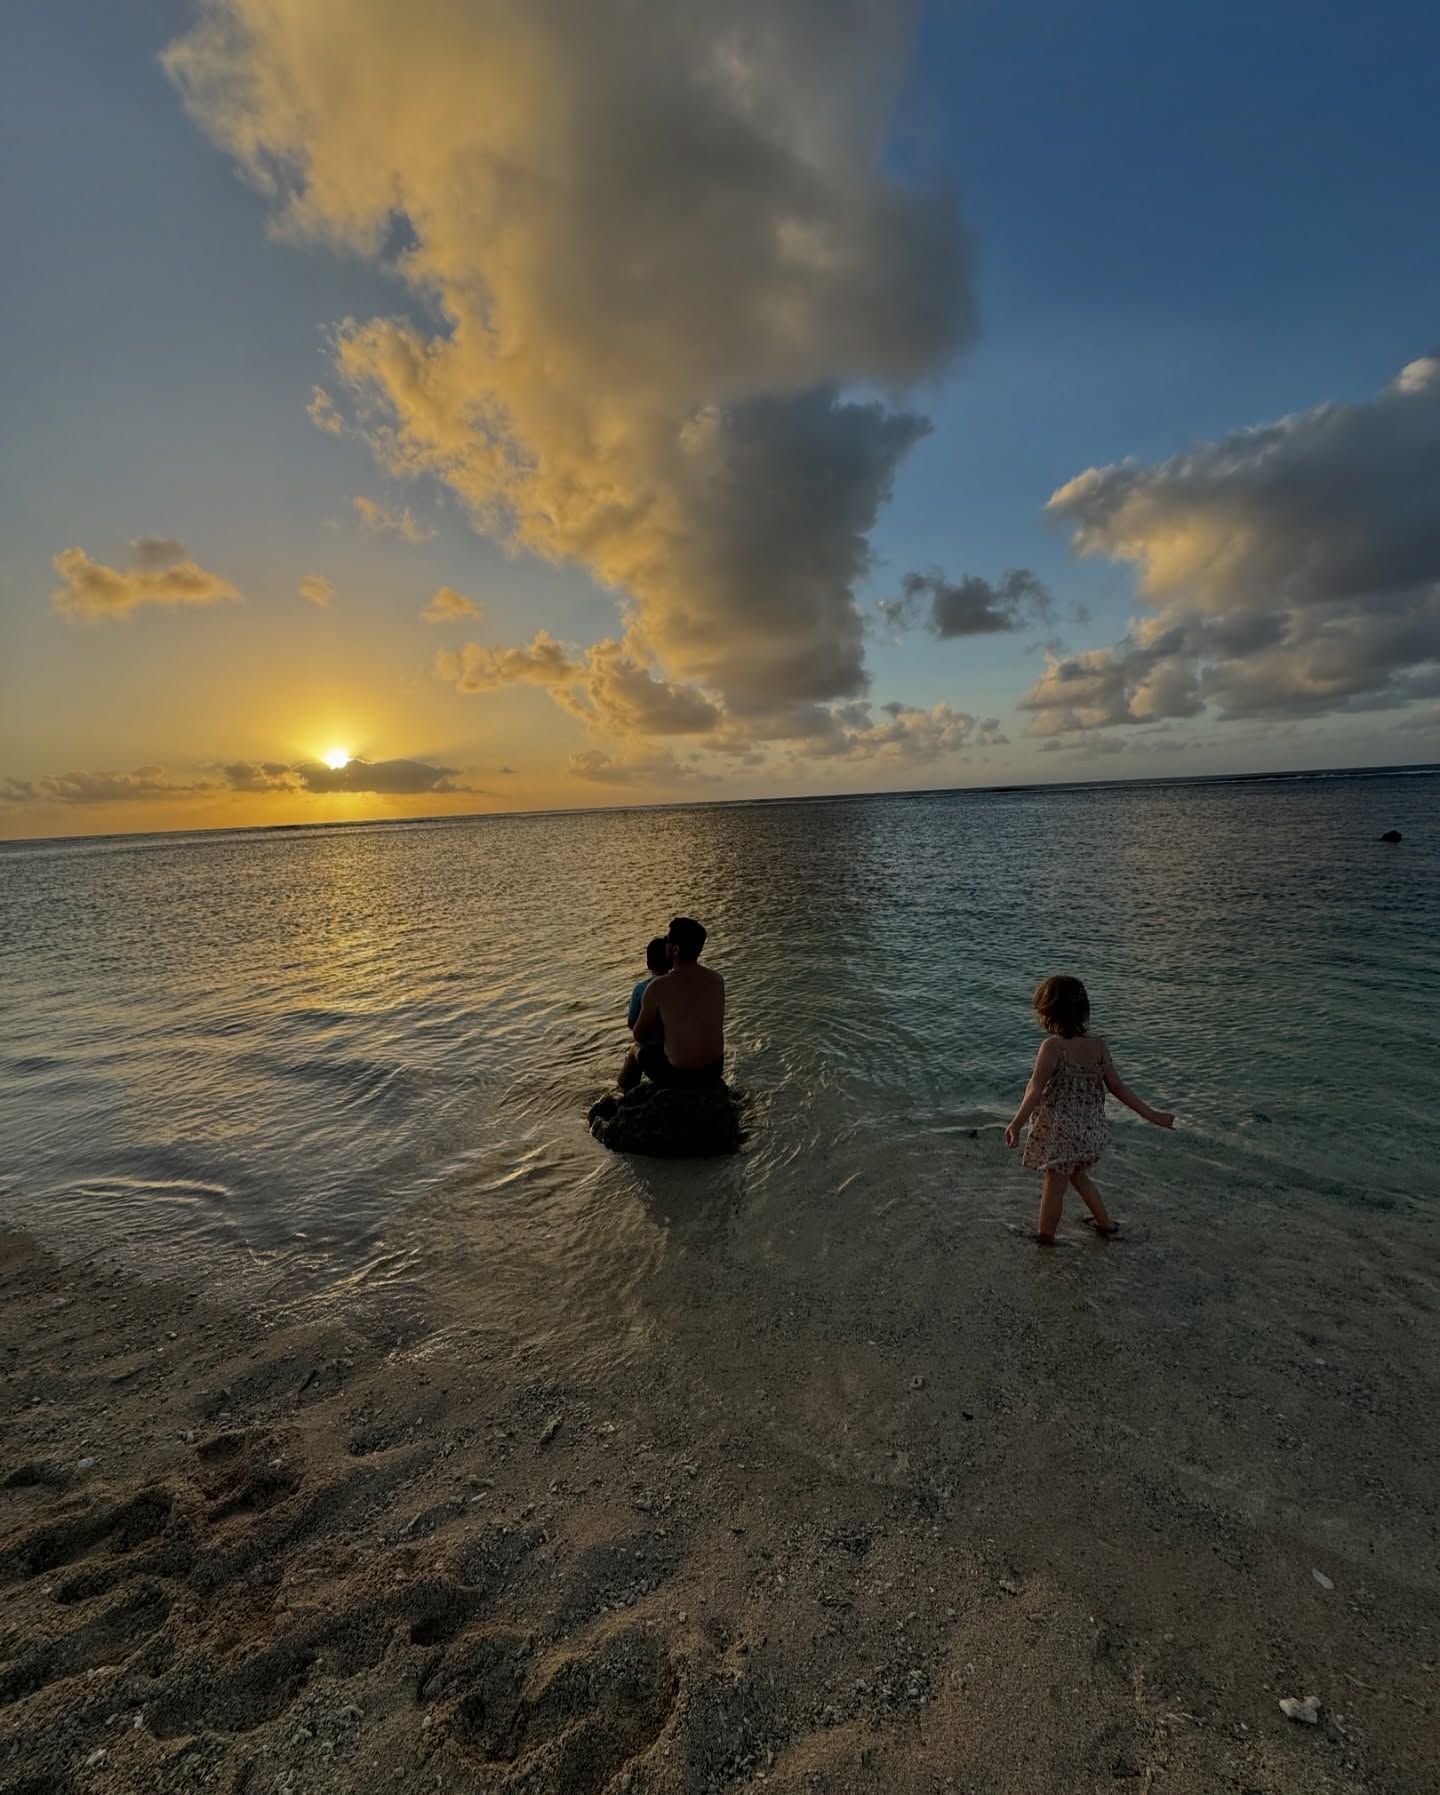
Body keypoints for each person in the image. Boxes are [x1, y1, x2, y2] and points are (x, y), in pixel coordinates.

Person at [1004, 974, 1173, 1245]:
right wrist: (1153, 1115)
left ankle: (1045, 1237)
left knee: (1053, 1185)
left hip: (1062, 1133)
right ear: (1084, 1012)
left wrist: (1016, 1123)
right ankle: (1105, 1224)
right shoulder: (1099, 1046)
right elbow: (1118, 1088)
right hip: (1090, 1131)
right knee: (1078, 1176)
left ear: (1049, 1013)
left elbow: (1034, 1090)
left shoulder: (1053, 1047)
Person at [625, 915, 725, 1087]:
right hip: (715, 1069)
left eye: (667, 940)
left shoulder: (657, 987)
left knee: (635, 1048)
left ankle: (621, 1094)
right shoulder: (717, 980)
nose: (665, 944)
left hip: (679, 1076)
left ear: (676, 949)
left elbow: (639, 1034)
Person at [617, 938, 671, 1091]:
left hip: (657, 1057)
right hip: (680, 1053)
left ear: (648, 964)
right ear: (671, 962)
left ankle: (623, 1090)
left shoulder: (641, 989)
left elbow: (632, 1024)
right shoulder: (680, 985)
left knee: (634, 1049)